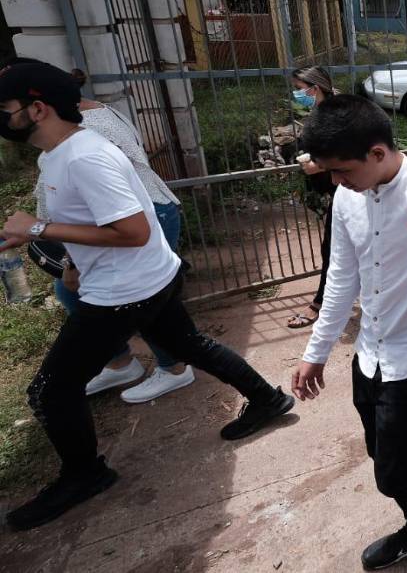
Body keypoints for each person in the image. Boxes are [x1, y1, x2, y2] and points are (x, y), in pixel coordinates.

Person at [0, 63, 292, 530]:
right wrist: (71, 263)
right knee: (189, 345)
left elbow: (132, 230)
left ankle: (84, 474)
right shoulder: (56, 156)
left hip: (124, 291)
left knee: (52, 391)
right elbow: (92, 222)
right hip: (141, 279)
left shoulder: (85, 157)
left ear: (38, 109)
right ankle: (267, 400)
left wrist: (35, 228)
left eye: (5, 109)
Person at [291, 95, 407, 568]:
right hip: (368, 353)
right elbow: (340, 280)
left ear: (377, 153)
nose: (335, 181)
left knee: (392, 471)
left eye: (341, 169)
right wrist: (317, 351)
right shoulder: (347, 197)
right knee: (380, 455)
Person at [29, 65, 193, 403]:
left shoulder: (78, 138)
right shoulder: (92, 118)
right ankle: (122, 362)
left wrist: (41, 231)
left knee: (142, 301)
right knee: (106, 297)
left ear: (39, 106)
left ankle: (173, 367)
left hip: (139, 216)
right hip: (144, 211)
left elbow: (66, 198)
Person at [288, 66, 341, 331]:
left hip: (346, 189)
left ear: (314, 88)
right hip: (333, 190)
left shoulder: (335, 112)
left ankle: (320, 304)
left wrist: (319, 166)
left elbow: (348, 149)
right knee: (338, 248)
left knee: (331, 248)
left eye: (299, 89)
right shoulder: (320, 110)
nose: (297, 94)